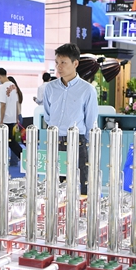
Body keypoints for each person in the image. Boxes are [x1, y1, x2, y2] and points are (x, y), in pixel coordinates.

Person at [42, 43, 99, 196]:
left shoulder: (87, 89)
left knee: (81, 182)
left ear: (75, 64)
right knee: (55, 182)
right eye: (57, 62)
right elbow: (47, 114)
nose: (59, 67)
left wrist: (86, 143)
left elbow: (91, 120)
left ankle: (83, 210)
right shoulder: (50, 88)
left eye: (63, 62)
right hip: (54, 139)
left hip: (77, 140)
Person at [0, 69, 24, 168]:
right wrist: (16, 118)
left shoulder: (3, 88)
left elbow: (3, 105)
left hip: (2, 120)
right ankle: (25, 158)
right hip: (11, 119)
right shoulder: (14, 87)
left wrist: (1, 120)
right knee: (11, 142)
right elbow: (15, 103)